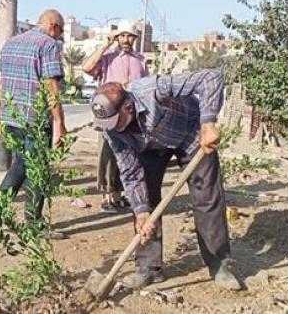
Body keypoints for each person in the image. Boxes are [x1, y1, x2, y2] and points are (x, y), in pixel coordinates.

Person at [91, 69, 242, 291]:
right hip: (150, 147)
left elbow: (210, 77)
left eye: (115, 121)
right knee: (145, 205)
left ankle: (220, 265)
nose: (111, 129)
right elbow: (130, 172)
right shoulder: (111, 129)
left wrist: (208, 123)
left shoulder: (152, 90)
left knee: (207, 198)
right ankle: (149, 269)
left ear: (128, 107)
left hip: (191, 135)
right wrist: (141, 212)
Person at [0, 9, 68, 238]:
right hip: (34, 120)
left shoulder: (11, 44)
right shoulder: (48, 45)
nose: (59, 36)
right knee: (37, 171)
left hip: (10, 117)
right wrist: (59, 123)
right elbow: (50, 85)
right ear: (53, 26)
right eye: (61, 31)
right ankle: (34, 224)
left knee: (20, 165)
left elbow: (1, 83)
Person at [82, 21, 149, 213]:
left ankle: (121, 196)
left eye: (130, 36)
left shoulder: (140, 60)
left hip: (131, 115)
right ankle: (107, 197)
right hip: (109, 114)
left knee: (129, 154)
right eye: (123, 35)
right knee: (108, 153)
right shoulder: (107, 58)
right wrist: (106, 44)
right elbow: (87, 68)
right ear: (117, 37)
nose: (126, 40)